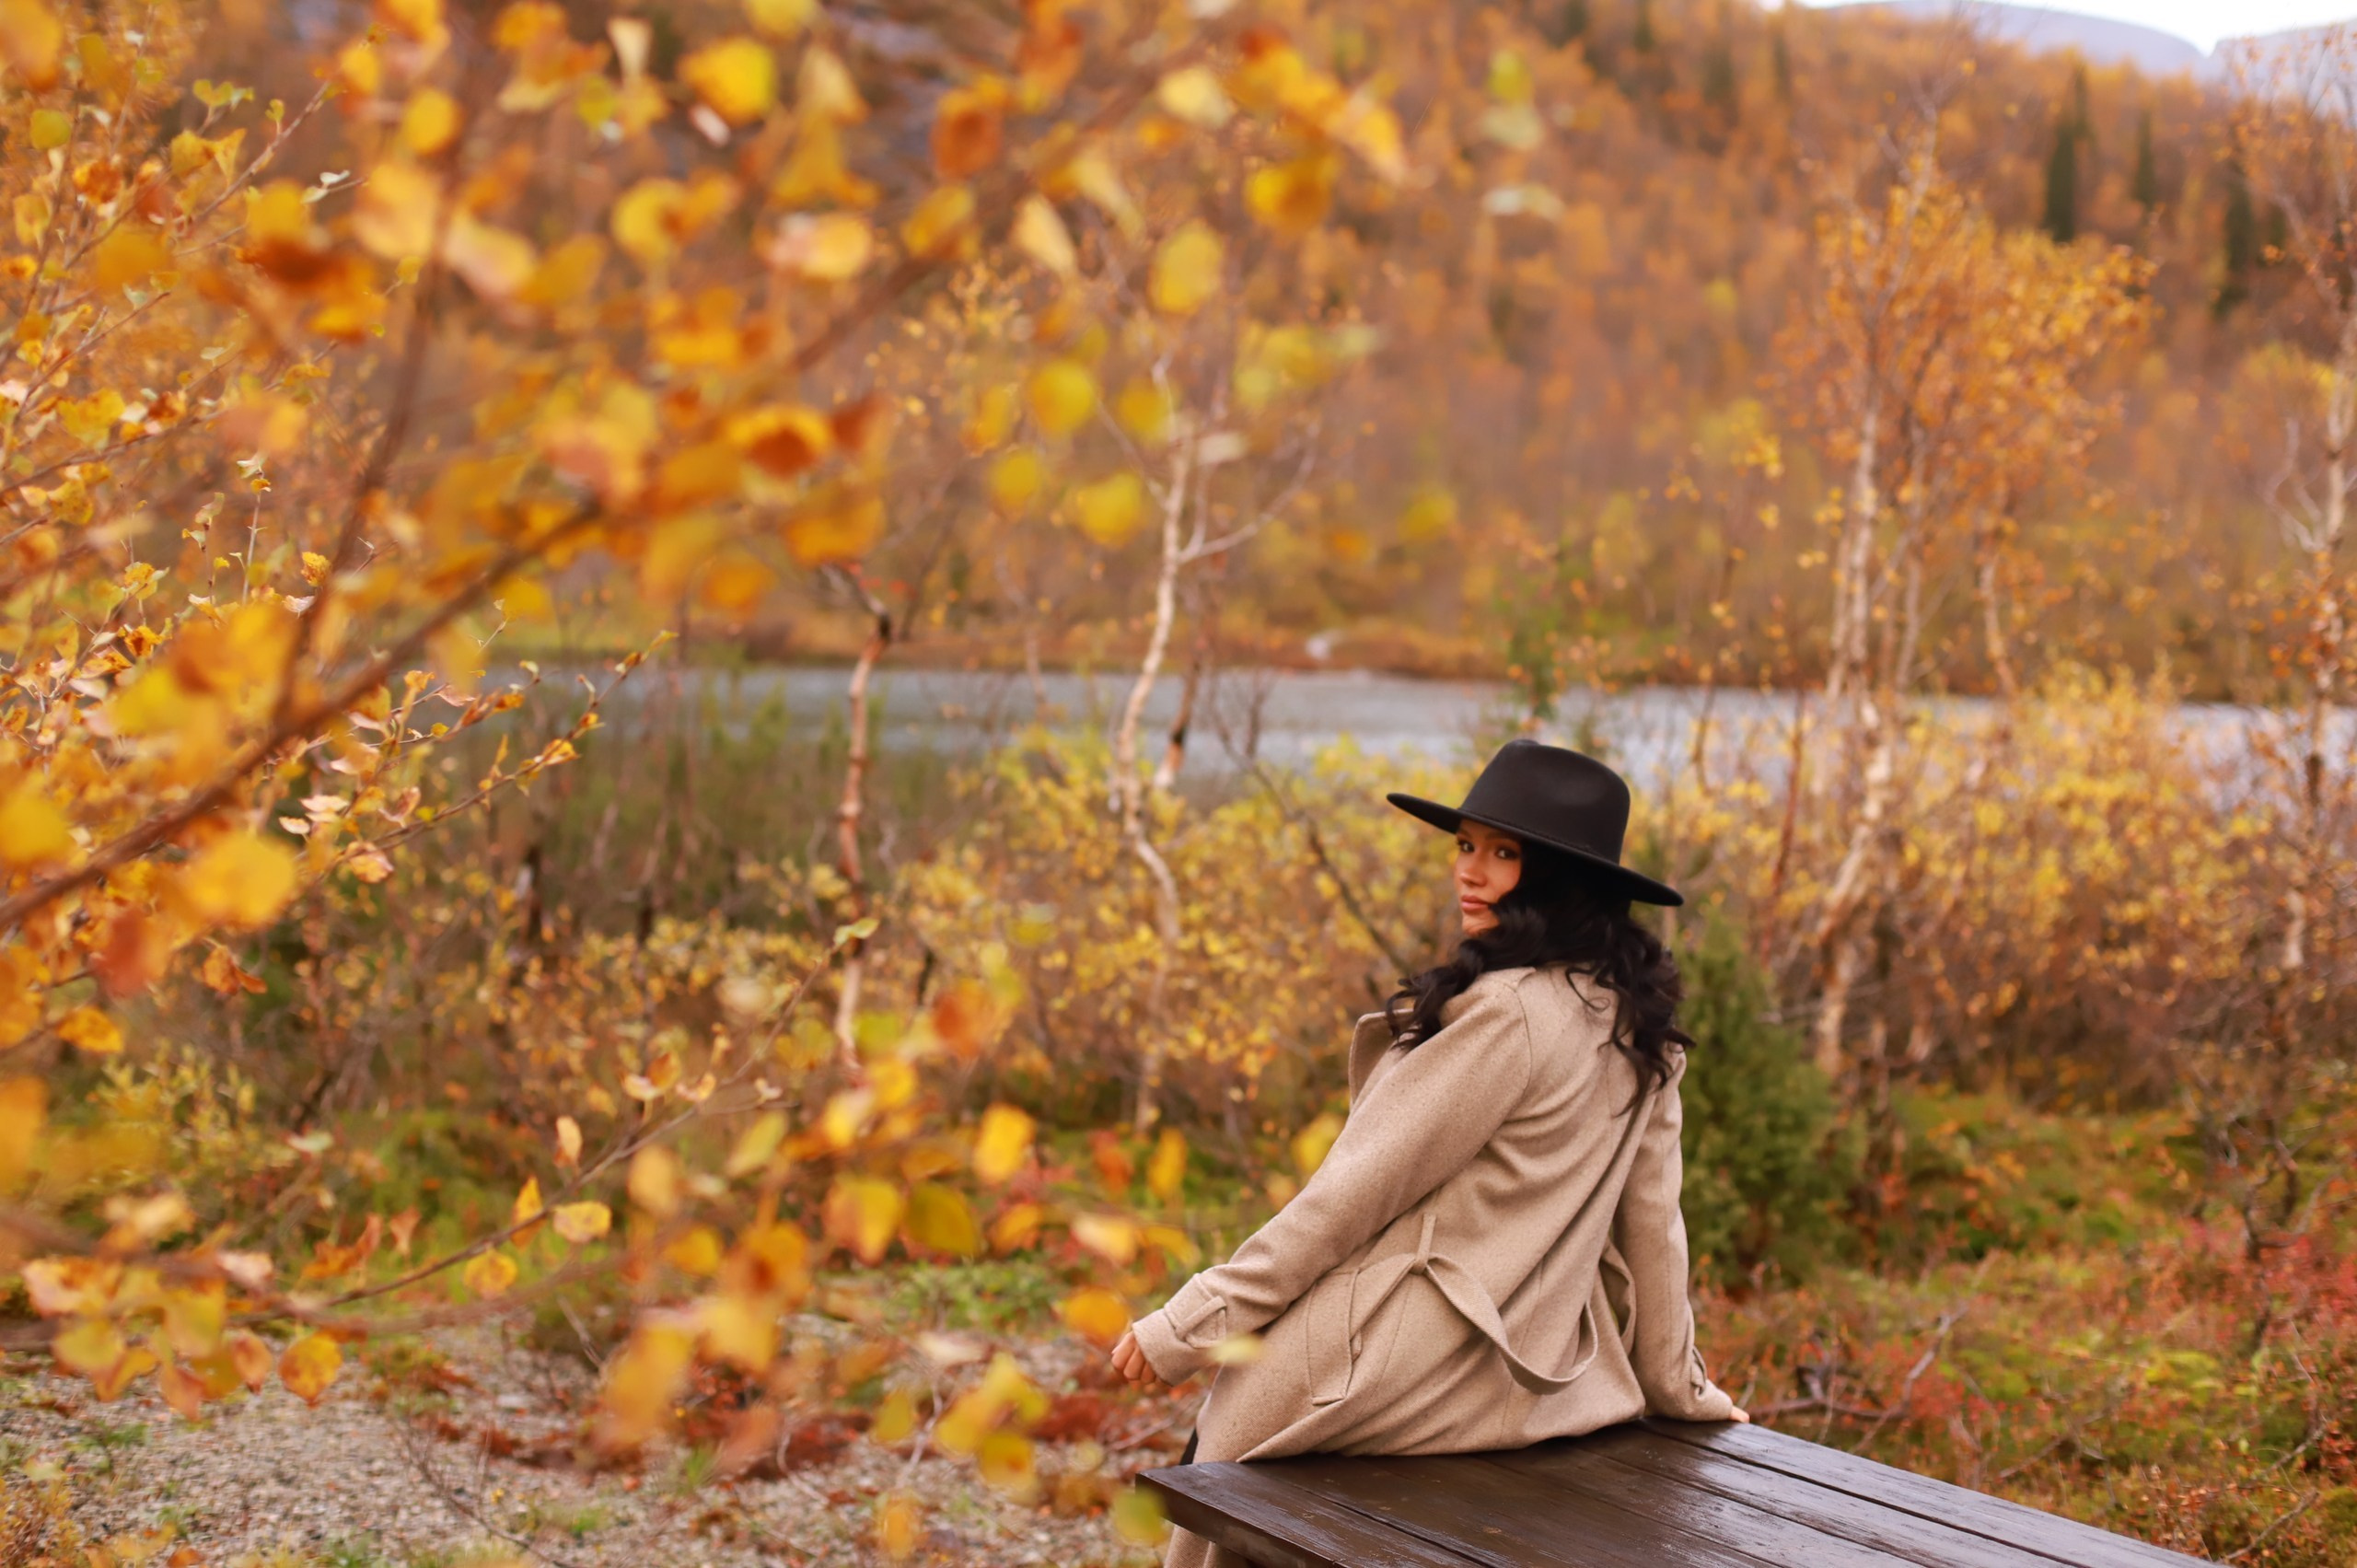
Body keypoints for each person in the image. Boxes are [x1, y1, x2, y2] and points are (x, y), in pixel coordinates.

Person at [1107, 738, 1749, 1568]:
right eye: (1466, 845)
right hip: (1539, 1382)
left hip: (1404, 1366)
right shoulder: (1632, 1023)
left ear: (1560, 876)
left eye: (1503, 854)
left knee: (1226, 1449)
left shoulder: (1507, 1015)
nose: (1469, 872)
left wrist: (1195, 1319)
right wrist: (1680, 1388)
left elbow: (1350, 1197)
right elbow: (1655, 1232)